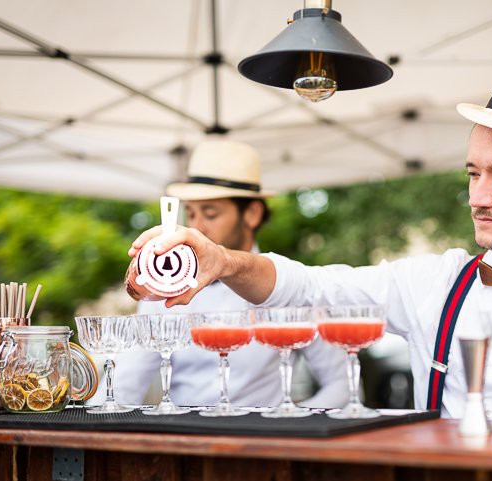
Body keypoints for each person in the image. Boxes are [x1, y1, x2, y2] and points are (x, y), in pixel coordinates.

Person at [129, 50, 492, 421]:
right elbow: (310, 287)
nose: (478, 197)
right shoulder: (434, 282)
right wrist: (226, 260)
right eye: (474, 173)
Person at [101, 140, 349, 409]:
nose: (196, 227)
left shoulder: (289, 287)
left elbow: (342, 384)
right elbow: (124, 384)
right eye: (192, 213)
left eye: (210, 213)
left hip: (262, 440)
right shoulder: (164, 287)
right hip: (185, 439)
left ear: (252, 213)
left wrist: (290, 429)